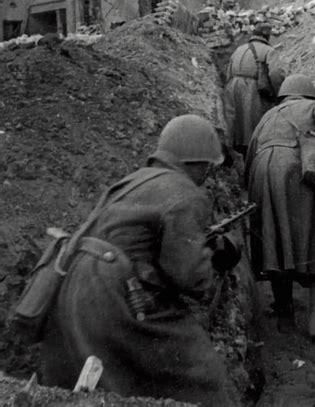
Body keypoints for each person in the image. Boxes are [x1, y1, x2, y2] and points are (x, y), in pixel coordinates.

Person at [40, 115, 241, 406]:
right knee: (203, 374)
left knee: (107, 385)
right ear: (194, 162)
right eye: (207, 166)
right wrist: (213, 257)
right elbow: (190, 278)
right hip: (114, 294)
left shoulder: (132, 181)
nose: (208, 175)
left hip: (74, 285)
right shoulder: (185, 193)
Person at [245, 74, 315, 341]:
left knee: (275, 245)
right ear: (309, 94)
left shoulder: (267, 117)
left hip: (262, 174)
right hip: (300, 172)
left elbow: (249, 157)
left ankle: (284, 316)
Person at [223, 22, 285, 159]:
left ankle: (233, 153)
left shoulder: (239, 49)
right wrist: (280, 94)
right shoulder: (269, 51)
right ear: (267, 36)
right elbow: (275, 74)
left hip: (231, 87)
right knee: (252, 127)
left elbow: (228, 72)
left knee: (235, 125)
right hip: (251, 88)